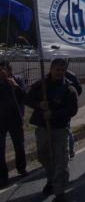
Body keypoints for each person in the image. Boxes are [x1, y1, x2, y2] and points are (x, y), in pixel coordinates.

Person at [26, 59, 78, 202]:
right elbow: (28, 99)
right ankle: (51, 178)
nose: (60, 72)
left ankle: (60, 191)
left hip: (60, 129)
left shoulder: (69, 89)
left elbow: (73, 110)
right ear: (51, 69)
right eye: (57, 69)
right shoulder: (40, 85)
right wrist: (39, 104)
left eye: (62, 70)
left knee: (62, 159)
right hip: (43, 128)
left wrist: (54, 114)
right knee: (44, 156)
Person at [0, 61, 27, 189]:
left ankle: (21, 168)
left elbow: (24, 95)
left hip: (15, 118)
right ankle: (3, 177)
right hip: (1, 120)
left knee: (19, 144)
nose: (4, 72)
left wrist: (15, 85)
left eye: (5, 69)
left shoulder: (17, 79)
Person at [64, 67, 82, 159]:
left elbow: (79, 88)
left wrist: (72, 97)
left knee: (66, 128)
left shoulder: (70, 75)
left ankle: (70, 150)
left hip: (66, 106)